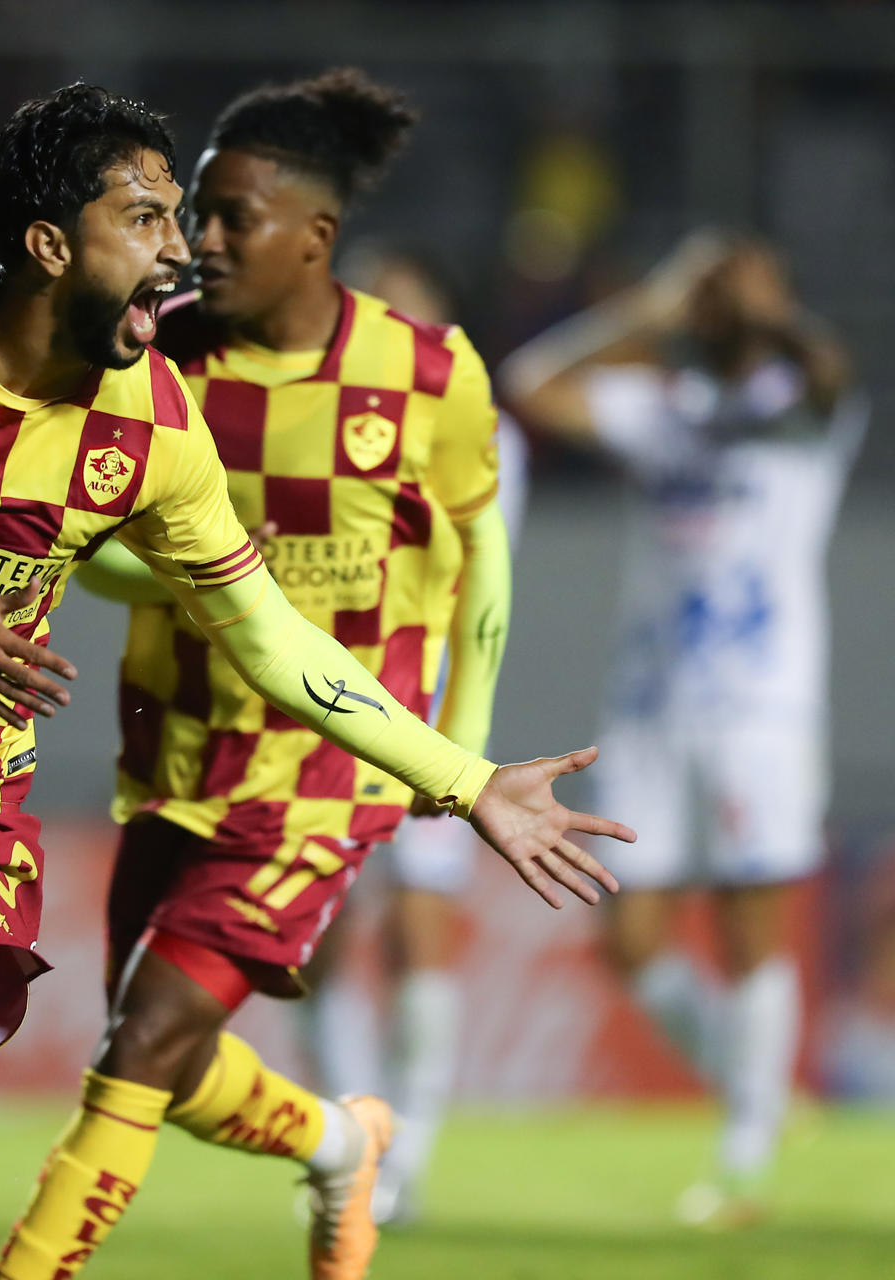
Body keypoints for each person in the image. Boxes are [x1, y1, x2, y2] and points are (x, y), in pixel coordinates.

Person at [0, 82, 628, 1280]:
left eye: (177, 218)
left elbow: (269, 633)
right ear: (48, 244)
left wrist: (470, 778)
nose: (180, 249)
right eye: (146, 218)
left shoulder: (154, 420)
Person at [0, 70, 541, 1280]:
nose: (204, 239)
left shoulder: (430, 375)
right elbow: (109, 556)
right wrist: (198, 583)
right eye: (197, 209)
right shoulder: (157, 356)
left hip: (326, 770)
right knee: (162, 1056)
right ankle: (343, 1140)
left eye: (236, 216)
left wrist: (462, 753)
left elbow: (479, 563)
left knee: (141, 1046)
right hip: (180, 748)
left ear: (317, 238)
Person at [502, 231, 861, 1227]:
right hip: (651, 705)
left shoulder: (803, 408)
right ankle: (763, 1094)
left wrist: (761, 310)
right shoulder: (663, 410)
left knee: (752, 925)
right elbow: (530, 382)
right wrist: (651, 311)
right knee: (631, 936)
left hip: (765, 706)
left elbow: (830, 369)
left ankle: (743, 1160)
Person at [298, 239, 532, 1227]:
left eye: (406, 306)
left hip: (423, 709)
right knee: (317, 934)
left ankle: (412, 1150)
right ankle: (358, 1138)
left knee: (417, 926)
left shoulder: (479, 435)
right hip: (319, 704)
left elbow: (473, 576)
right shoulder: (309, 416)